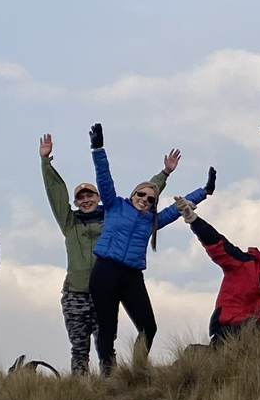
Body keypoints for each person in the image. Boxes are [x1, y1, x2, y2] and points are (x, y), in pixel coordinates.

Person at [88, 124, 211, 369]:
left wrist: (204, 191)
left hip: (132, 275)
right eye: (141, 195)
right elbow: (104, 177)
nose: (144, 200)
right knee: (107, 328)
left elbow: (176, 209)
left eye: (150, 199)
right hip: (106, 271)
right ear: (133, 194)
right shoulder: (115, 205)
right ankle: (108, 372)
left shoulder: (152, 221)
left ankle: (138, 369)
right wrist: (98, 148)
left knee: (148, 327)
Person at [176, 198, 260, 342]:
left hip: (257, 333)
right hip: (227, 327)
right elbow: (217, 243)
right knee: (254, 325)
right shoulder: (242, 262)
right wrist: (192, 219)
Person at [41, 133, 123, 375]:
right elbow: (56, 194)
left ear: (98, 198)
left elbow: (140, 204)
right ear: (76, 202)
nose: (86, 200)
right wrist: (46, 162)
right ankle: (80, 392)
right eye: (81, 197)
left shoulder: (111, 221)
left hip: (104, 293)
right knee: (79, 348)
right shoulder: (70, 222)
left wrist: (164, 175)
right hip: (75, 294)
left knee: (106, 346)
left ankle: (111, 388)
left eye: (90, 195)